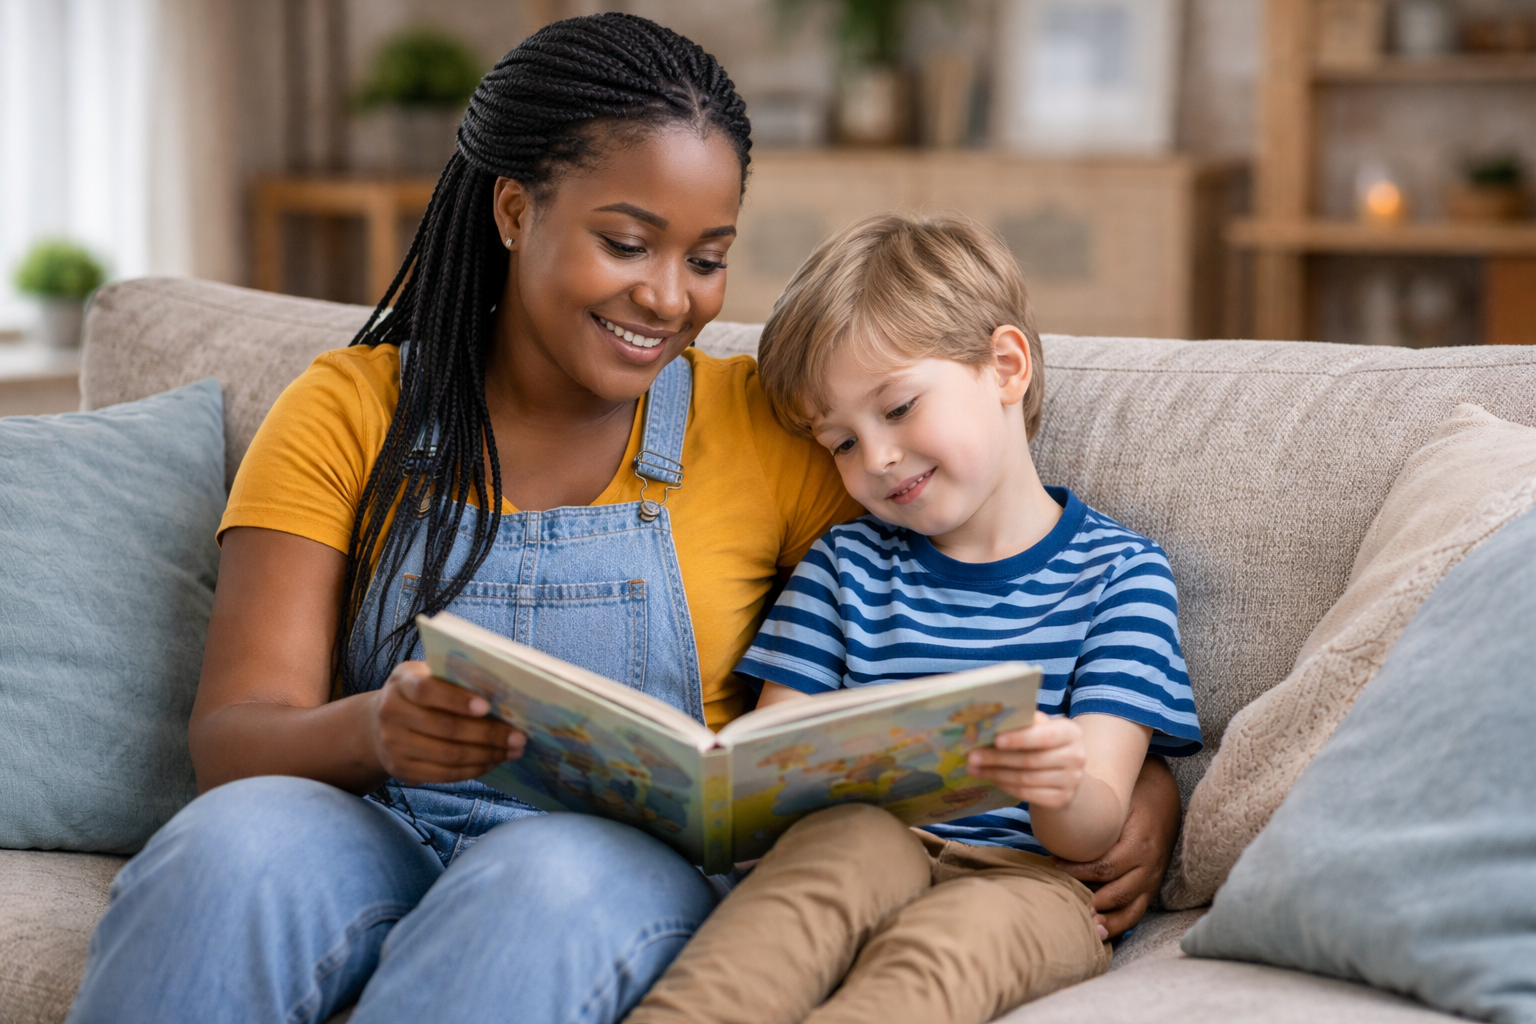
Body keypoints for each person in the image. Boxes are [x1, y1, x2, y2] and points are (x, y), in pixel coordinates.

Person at [68, 18, 1184, 1024]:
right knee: (234, 848)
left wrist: (1134, 785)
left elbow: (953, 575)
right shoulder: (351, 407)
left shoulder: (775, 424)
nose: (669, 296)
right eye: (627, 241)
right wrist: (374, 732)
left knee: (547, 880)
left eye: (706, 258)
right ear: (516, 209)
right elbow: (234, 744)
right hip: (378, 823)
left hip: (618, 871)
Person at [625, 215, 1204, 1024]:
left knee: (953, 943)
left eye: (897, 409)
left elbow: (1095, 827)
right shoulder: (843, 568)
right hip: (865, 849)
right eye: (841, 443)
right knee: (836, 860)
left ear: (1005, 366)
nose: (877, 460)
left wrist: (1060, 780)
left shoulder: (1120, 576)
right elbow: (766, 779)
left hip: (1032, 881)